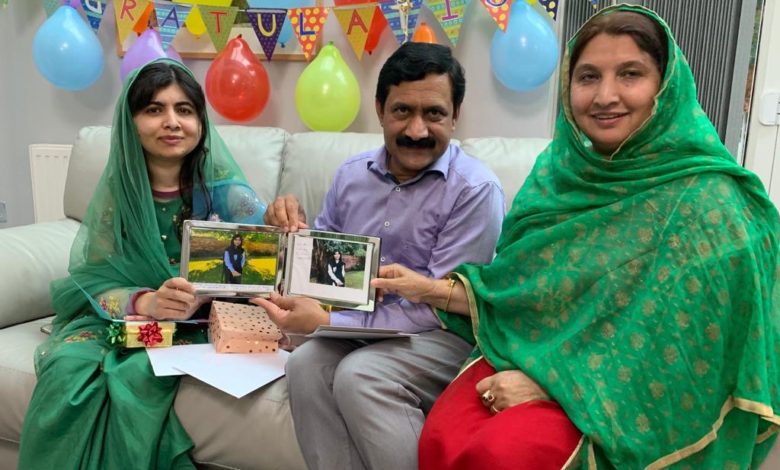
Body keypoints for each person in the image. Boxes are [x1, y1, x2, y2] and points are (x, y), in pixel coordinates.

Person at [372, 5, 780, 469]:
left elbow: (693, 355)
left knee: (500, 453)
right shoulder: (556, 177)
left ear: (665, 87)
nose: (605, 96)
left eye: (630, 74)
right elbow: (520, 297)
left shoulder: (711, 204)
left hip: (625, 401)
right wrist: (428, 289)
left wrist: (553, 386)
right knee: (444, 432)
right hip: (533, 355)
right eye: (588, 77)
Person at [256, 42, 506, 470]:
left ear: (456, 114)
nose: (417, 130)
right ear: (379, 108)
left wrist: (330, 321)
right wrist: (286, 232)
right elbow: (323, 268)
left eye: (434, 114)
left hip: (443, 334)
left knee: (361, 377)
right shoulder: (351, 176)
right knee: (305, 366)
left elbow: (441, 305)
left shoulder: (475, 190)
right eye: (402, 111)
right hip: (358, 325)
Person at [18, 59, 268, 469]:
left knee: (136, 378)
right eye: (154, 109)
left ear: (201, 122)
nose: (172, 122)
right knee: (65, 366)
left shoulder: (229, 193)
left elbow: (264, 268)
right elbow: (93, 281)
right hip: (133, 321)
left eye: (184, 110)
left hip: (201, 326)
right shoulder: (118, 196)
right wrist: (146, 302)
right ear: (130, 122)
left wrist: (281, 223)